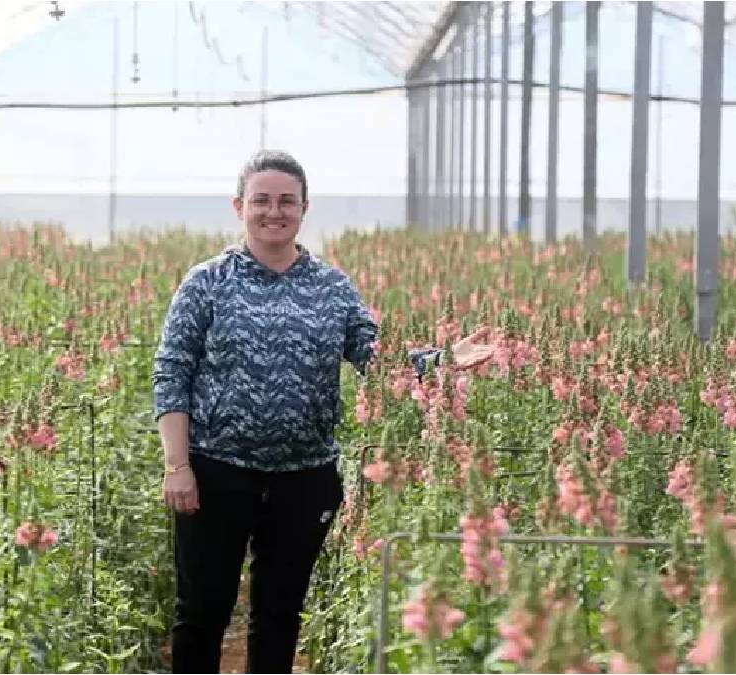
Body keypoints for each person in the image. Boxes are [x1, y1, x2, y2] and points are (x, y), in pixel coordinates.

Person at [152, 150, 493, 673]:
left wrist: (441, 360)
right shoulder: (207, 282)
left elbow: (374, 357)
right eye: (262, 200)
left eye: (287, 201)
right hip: (216, 471)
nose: (274, 211)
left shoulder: (330, 286)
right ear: (239, 206)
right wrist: (178, 467)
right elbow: (171, 374)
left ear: (304, 208)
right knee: (201, 613)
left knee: (281, 613)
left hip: (303, 477)